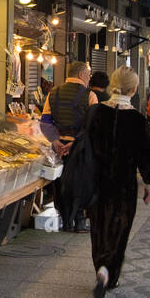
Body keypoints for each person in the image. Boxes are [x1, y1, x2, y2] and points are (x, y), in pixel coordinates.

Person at [75, 66, 150, 298]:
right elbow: (147, 156)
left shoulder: (95, 112)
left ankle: (100, 265)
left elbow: (85, 144)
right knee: (120, 228)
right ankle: (110, 271)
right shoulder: (138, 120)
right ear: (133, 89)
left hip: (96, 180)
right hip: (123, 184)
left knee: (99, 226)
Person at [40, 60, 98, 232]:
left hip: (58, 149)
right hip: (80, 148)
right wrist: (75, 142)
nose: (89, 78)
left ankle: (65, 222)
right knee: (81, 182)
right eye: (88, 74)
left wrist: (55, 141)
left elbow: (45, 122)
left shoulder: (53, 93)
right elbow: (94, 125)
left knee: (61, 183)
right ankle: (79, 221)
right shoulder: (90, 95)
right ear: (81, 75)